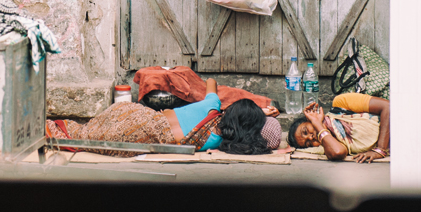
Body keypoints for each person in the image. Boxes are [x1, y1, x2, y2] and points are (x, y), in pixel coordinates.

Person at [48, 77, 282, 157]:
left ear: (229, 112)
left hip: (133, 112)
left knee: (80, 129)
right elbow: (263, 139)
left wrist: (256, 108)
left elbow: (212, 83)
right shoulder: (219, 143)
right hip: (137, 137)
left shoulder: (212, 106)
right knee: (82, 137)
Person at [286, 93, 390, 163]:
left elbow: (388, 107)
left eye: (305, 131)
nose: (311, 137)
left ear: (309, 119)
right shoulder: (329, 144)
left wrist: (380, 150)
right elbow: (338, 152)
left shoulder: (341, 103)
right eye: (308, 143)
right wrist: (318, 126)